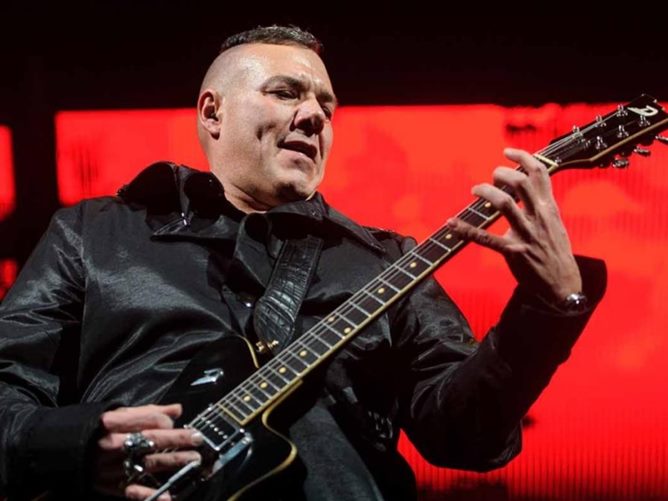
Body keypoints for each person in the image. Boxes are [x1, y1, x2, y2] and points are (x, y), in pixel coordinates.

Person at [0, 25, 605, 501]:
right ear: (212, 112)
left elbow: (467, 438)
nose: (315, 116)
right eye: (286, 92)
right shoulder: (94, 233)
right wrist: (79, 443)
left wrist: (546, 309)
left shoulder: (386, 261)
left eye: (327, 106)